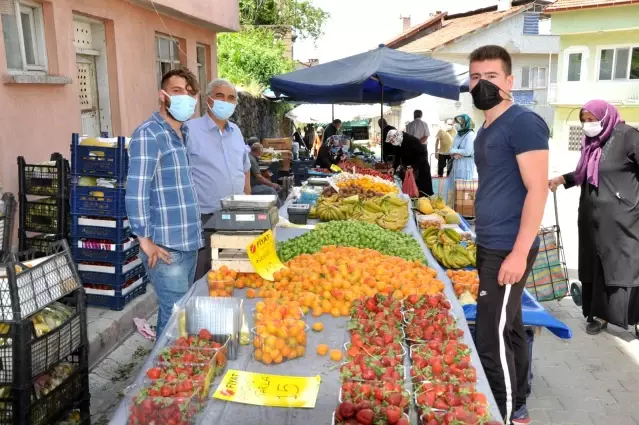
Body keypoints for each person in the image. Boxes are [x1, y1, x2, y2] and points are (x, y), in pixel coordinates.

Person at [469, 45, 549, 425]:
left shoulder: (523, 123)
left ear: (510, 82)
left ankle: (501, 413)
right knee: (510, 325)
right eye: (475, 77)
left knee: (489, 337)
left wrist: (518, 253)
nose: (481, 84)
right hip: (489, 240)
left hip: (507, 246)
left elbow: (538, 189)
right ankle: (518, 404)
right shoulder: (486, 128)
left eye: (491, 77)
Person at [549, 100, 639, 338]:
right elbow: (587, 172)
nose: (588, 125)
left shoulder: (628, 136)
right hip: (590, 215)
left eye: (592, 119)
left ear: (606, 116)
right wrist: (563, 179)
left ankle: (636, 316)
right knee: (595, 263)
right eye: (585, 120)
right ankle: (599, 315)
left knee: (625, 264)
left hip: (623, 218)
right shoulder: (592, 142)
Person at [125, 68, 203, 337]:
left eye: (191, 93)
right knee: (175, 320)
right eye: (177, 91)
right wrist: (144, 240)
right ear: (163, 95)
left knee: (176, 316)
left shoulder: (183, 134)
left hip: (189, 242)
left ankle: (165, 370)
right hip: (166, 248)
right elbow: (136, 190)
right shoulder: (149, 134)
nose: (185, 98)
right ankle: (163, 373)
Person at [185, 78, 251, 281]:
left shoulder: (236, 132)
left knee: (233, 271)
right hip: (206, 217)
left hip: (236, 215)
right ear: (208, 100)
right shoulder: (190, 130)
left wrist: (248, 196)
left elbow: (245, 167)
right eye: (220, 96)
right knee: (204, 274)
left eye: (231, 98)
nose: (226, 101)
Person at [385, 129, 433, 196]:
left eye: (392, 141)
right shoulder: (398, 142)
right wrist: (394, 167)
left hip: (420, 168)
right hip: (410, 169)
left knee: (422, 192)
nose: (392, 143)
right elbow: (398, 155)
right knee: (411, 191)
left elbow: (423, 154)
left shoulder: (412, 140)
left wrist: (414, 166)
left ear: (396, 137)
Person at [446, 114, 477, 205]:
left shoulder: (470, 135)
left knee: (465, 189)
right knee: (453, 188)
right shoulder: (457, 135)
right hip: (456, 164)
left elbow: (467, 151)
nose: (455, 124)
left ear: (465, 123)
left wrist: (455, 151)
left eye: (458, 122)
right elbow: (450, 149)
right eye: (455, 122)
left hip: (466, 165)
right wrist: (455, 153)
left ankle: (465, 210)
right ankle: (452, 209)